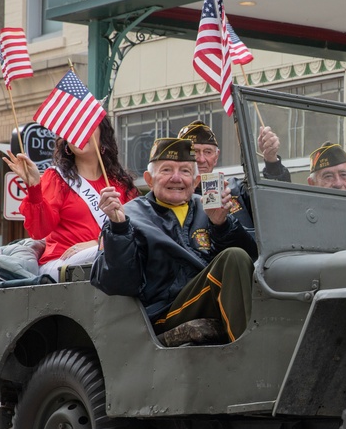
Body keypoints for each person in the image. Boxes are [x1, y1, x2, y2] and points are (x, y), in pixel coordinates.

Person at [92, 137, 256, 347]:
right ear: (149, 179)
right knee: (234, 257)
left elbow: (251, 260)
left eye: (185, 171)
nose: (176, 178)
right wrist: (119, 228)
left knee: (239, 257)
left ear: (196, 182)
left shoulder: (210, 208)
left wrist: (221, 225)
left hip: (209, 297)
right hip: (163, 312)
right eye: (167, 170)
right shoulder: (128, 216)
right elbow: (119, 282)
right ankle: (247, 354)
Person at [2, 116, 137, 282]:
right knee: (115, 250)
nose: (79, 132)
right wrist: (34, 187)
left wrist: (98, 243)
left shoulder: (121, 185)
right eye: (73, 128)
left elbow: (136, 231)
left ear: (104, 137)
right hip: (61, 264)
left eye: (87, 125)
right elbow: (39, 231)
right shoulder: (57, 178)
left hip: (104, 262)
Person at [176, 120, 289, 233]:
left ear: (216, 157)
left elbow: (278, 205)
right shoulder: (172, 198)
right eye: (194, 152)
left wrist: (271, 160)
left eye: (208, 152)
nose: (201, 159)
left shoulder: (235, 190)